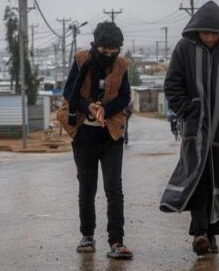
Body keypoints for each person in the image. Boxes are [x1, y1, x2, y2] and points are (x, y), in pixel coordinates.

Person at [159, 1, 219, 256]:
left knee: (216, 179)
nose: (210, 37)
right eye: (205, 33)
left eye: (214, 33)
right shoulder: (185, 48)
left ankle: (212, 234)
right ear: (197, 31)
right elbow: (172, 83)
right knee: (197, 177)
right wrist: (185, 109)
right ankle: (200, 233)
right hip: (194, 127)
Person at [57, 21, 133, 259]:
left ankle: (116, 242)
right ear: (96, 46)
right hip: (84, 135)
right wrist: (87, 107)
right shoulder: (81, 60)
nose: (109, 57)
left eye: (114, 52)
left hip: (110, 135)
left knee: (114, 188)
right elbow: (69, 91)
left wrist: (106, 110)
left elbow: (125, 96)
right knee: (87, 187)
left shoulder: (121, 65)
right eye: (104, 52)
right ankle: (87, 236)